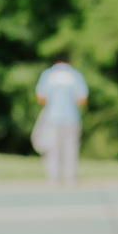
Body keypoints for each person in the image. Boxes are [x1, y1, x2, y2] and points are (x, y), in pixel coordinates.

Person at [33, 54, 88, 186]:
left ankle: (54, 179)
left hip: (52, 118)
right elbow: (82, 99)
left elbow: (41, 98)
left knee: (53, 149)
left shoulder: (48, 74)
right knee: (71, 149)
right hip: (72, 118)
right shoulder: (75, 75)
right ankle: (71, 179)